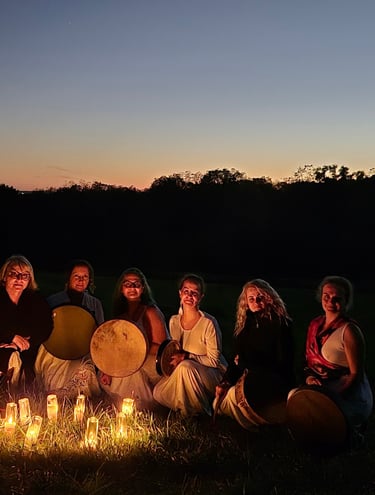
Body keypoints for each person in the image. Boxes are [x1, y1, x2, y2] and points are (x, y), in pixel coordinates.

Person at [288, 276, 373, 443]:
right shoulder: (315, 325)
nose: (330, 301)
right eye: (326, 296)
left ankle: (351, 430)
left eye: (337, 298)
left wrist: (331, 397)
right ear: (321, 297)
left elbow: (356, 375)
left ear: (346, 301)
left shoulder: (349, 331)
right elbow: (307, 363)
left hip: (347, 393)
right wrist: (310, 378)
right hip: (322, 387)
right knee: (293, 396)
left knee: (324, 419)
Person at [213, 279, 295, 429]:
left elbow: (282, 364)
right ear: (246, 302)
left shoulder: (280, 324)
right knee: (218, 401)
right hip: (248, 377)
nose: (255, 301)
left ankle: (257, 426)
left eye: (260, 297)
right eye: (251, 298)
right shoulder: (245, 326)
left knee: (234, 397)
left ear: (269, 298)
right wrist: (226, 381)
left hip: (272, 381)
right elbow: (235, 360)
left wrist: (246, 363)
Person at [153, 273, 228, 417]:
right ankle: (187, 403)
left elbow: (214, 361)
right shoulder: (174, 321)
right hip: (185, 370)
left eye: (194, 293)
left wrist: (187, 356)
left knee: (185, 367)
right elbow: (175, 349)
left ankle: (193, 413)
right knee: (158, 392)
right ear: (180, 293)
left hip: (211, 374)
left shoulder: (208, 323)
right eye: (186, 291)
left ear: (200, 297)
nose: (189, 296)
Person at [98, 267, 168, 411]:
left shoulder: (150, 311)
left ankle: (141, 404)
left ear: (143, 288)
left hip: (151, 361)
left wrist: (136, 352)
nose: (132, 288)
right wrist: (108, 369)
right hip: (127, 357)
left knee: (131, 369)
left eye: (136, 284)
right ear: (121, 289)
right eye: (127, 284)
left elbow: (162, 346)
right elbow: (115, 347)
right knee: (107, 368)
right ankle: (120, 400)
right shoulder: (121, 314)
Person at [34, 259, 104, 398]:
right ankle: (55, 394)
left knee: (82, 369)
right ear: (69, 278)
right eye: (76, 276)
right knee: (54, 373)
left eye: (85, 277)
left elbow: (100, 333)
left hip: (83, 350)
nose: (80, 280)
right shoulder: (54, 301)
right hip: (54, 350)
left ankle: (78, 397)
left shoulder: (95, 304)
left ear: (90, 280)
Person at [0, 254, 53, 394]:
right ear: (4, 276)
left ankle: (13, 397)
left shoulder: (35, 301)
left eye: (25, 276)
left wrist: (23, 343)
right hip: (3, 347)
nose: (19, 279)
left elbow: (45, 327)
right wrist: (11, 337)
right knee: (9, 355)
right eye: (14, 274)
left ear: (30, 280)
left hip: (26, 351)